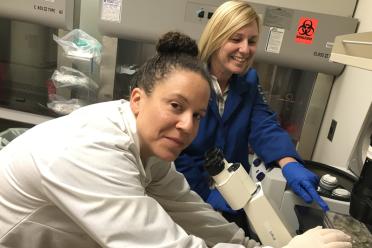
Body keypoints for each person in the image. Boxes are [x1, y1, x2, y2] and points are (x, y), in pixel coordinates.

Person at [0, 31, 351, 248]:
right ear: (137, 99)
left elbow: (191, 211)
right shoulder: (93, 150)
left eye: (197, 115)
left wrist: (250, 244)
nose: (187, 125)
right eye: (175, 106)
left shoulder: (148, 150)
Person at [175, 0, 329, 235]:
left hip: (237, 194)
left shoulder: (248, 80)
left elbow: (264, 124)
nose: (245, 49)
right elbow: (176, 150)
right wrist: (204, 193)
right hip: (188, 195)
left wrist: (289, 163)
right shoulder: (187, 78)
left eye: (252, 41)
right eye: (236, 39)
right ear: (216, 37)